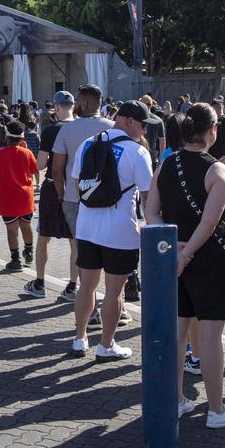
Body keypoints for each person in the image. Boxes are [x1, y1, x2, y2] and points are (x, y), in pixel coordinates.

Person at [143, 102, 225, 429]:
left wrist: (174, 247)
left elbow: (150, 212)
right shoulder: (217, 170)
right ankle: (216, 410)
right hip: (209, 260)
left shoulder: (167, 163)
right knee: (209, 337)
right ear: (212, 130)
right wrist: (188, 251)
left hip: (172, 259)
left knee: (179, 333)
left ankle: (176, 399)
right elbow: (211, 221)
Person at [68, 100, 159, 362]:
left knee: (87, 286)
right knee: (114, 291)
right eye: (143, 126)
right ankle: (106, 345)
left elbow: (77, 183)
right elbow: (147, 196)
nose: (145, 131)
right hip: (120, 231)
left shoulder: (89, 143)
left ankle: (79, 338)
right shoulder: (136, 152)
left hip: (86, 227)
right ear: (128, 121)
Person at [51, 84, 113, 287]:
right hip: (109, 198)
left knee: (82, 247)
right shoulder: (114, 128)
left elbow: (57, 170)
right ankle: (112, 297)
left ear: (84, 103)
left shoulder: (67, 130)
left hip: (75, 197)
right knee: (110, 247)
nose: (75, 105)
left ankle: (85, 293)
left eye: (77, 101)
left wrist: (61, 195)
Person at [27, 91, 76, 299]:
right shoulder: (81, 129)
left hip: (51, 186)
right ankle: (73, 286)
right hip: (75, 187)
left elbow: (40, 164)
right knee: (75, 240)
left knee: (44, 236)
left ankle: (39, 283)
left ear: (56, 108)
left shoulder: (50, 131)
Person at [0, 121, 39, 271]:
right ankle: (29, 251)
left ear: (7, 136)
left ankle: (15, 259)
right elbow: (35, 170)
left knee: (11, 229)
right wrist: (36, 185)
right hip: (26, 196)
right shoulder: (27, 153)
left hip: (7, 197)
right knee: (26, 224)